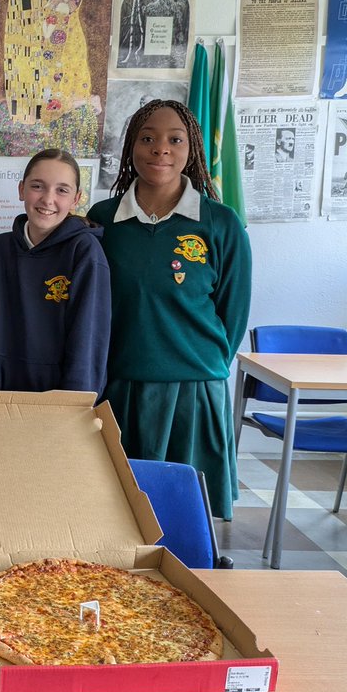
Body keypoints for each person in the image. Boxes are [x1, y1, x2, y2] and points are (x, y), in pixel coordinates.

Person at [86, 100, 252, 520]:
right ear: (130, 148)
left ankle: (193, 575)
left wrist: (197, 359)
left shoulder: (220, 222)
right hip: (122, 384)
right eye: (148, 139)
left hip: (191, 388)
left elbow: (232, 314)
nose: (161, 149)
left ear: (191, 149)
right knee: (121, 508)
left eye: (175, 139)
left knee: (186, 511)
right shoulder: (103, 220)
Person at [0, 149, 110, 396]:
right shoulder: (0, 248)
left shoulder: (84, 251)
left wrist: (74, 404)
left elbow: (88, 338)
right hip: (0, 395)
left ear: (76, 199)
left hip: (58, 402)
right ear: (21, 190)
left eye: (62, 190)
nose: (48, 199)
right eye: (37, 186)